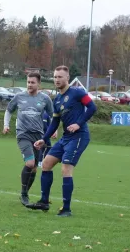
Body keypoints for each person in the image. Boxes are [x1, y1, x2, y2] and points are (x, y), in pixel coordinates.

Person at [26, 65, 97, 217]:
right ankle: (44, 202)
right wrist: (43, 139)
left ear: (67, 78)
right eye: (55, 77)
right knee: (46, 164)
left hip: (79, 136)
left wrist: (79, 123)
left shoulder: (78, 92)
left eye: (60, 77)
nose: (57, 79)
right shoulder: (57, 99)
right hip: (65, 137)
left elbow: (92, 107)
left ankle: (66, 209)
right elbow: (54, 122)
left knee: (66, 169)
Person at [2, 73, 53, 205]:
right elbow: (8, 110)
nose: (29, 85)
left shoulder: (45, 99)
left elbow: (54, 115)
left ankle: (25, 193)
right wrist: (6, 125)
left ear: (39, 84)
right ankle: (24, 194)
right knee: (30, 163)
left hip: (38, 136)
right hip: (23, 134)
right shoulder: (19, 97)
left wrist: (54, 130)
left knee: (35, 168)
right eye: (28, 82)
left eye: (32, 82)